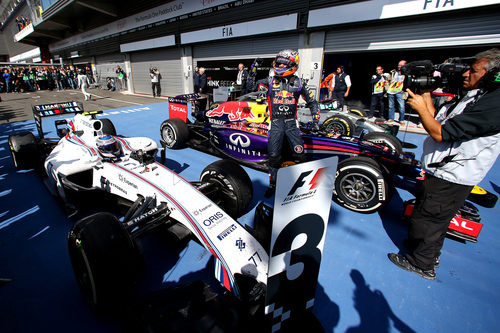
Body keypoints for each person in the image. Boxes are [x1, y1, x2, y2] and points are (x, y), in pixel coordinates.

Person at [388, 48, 500, 280]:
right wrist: (426, 95)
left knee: (427, 219)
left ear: (492, 75)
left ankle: (422, 264)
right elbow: (436, 120)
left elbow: (440, 133)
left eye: (474, 70)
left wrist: (418, 108)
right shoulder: (475, 96)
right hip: (443, 171)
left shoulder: (493, 105)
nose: (466, 74)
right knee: (432, 218)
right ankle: (426, 253)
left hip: (452, 175)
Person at [255, 49, 320, 198]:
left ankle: (298, 186)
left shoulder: (299, 83)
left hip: (292, 124)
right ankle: (273, 185)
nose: (278, 66)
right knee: (274, 157)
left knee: (300, 155)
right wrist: (254, 68)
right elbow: (251, 85)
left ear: (292, 65)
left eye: (281, 64)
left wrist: (316, 119)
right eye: (277, 63)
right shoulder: (270, 81)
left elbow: (312, 102)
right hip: (275, 124)